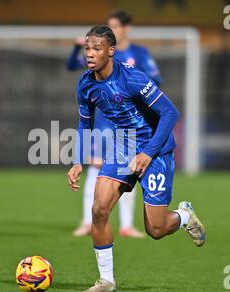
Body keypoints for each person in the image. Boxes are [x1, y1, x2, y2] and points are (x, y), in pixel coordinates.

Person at [66, 25, 206, 292]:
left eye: (96, 48)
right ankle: (106, 280)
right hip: (122, 148)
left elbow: (170, 114)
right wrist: (77, 161)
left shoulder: (132, 78)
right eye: (87, 48)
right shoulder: (85, 83)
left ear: (111, 51)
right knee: (99, 209)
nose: (90, 53)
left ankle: (184, 215)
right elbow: (85, 124)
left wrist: (148, 152)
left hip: (156, 150)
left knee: (155, 228)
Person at [68, 10, 162, 238]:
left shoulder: (138, 54)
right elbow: (72, 64)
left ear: (126, 28)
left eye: (116, 26)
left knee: (127, 170)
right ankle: (87, 222)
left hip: (131, 124)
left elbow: (155, 82)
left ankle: (127, 224)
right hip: (103, 123)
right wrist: (76, 48)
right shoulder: (97, 54)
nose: (114, 30)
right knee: (96, 167)